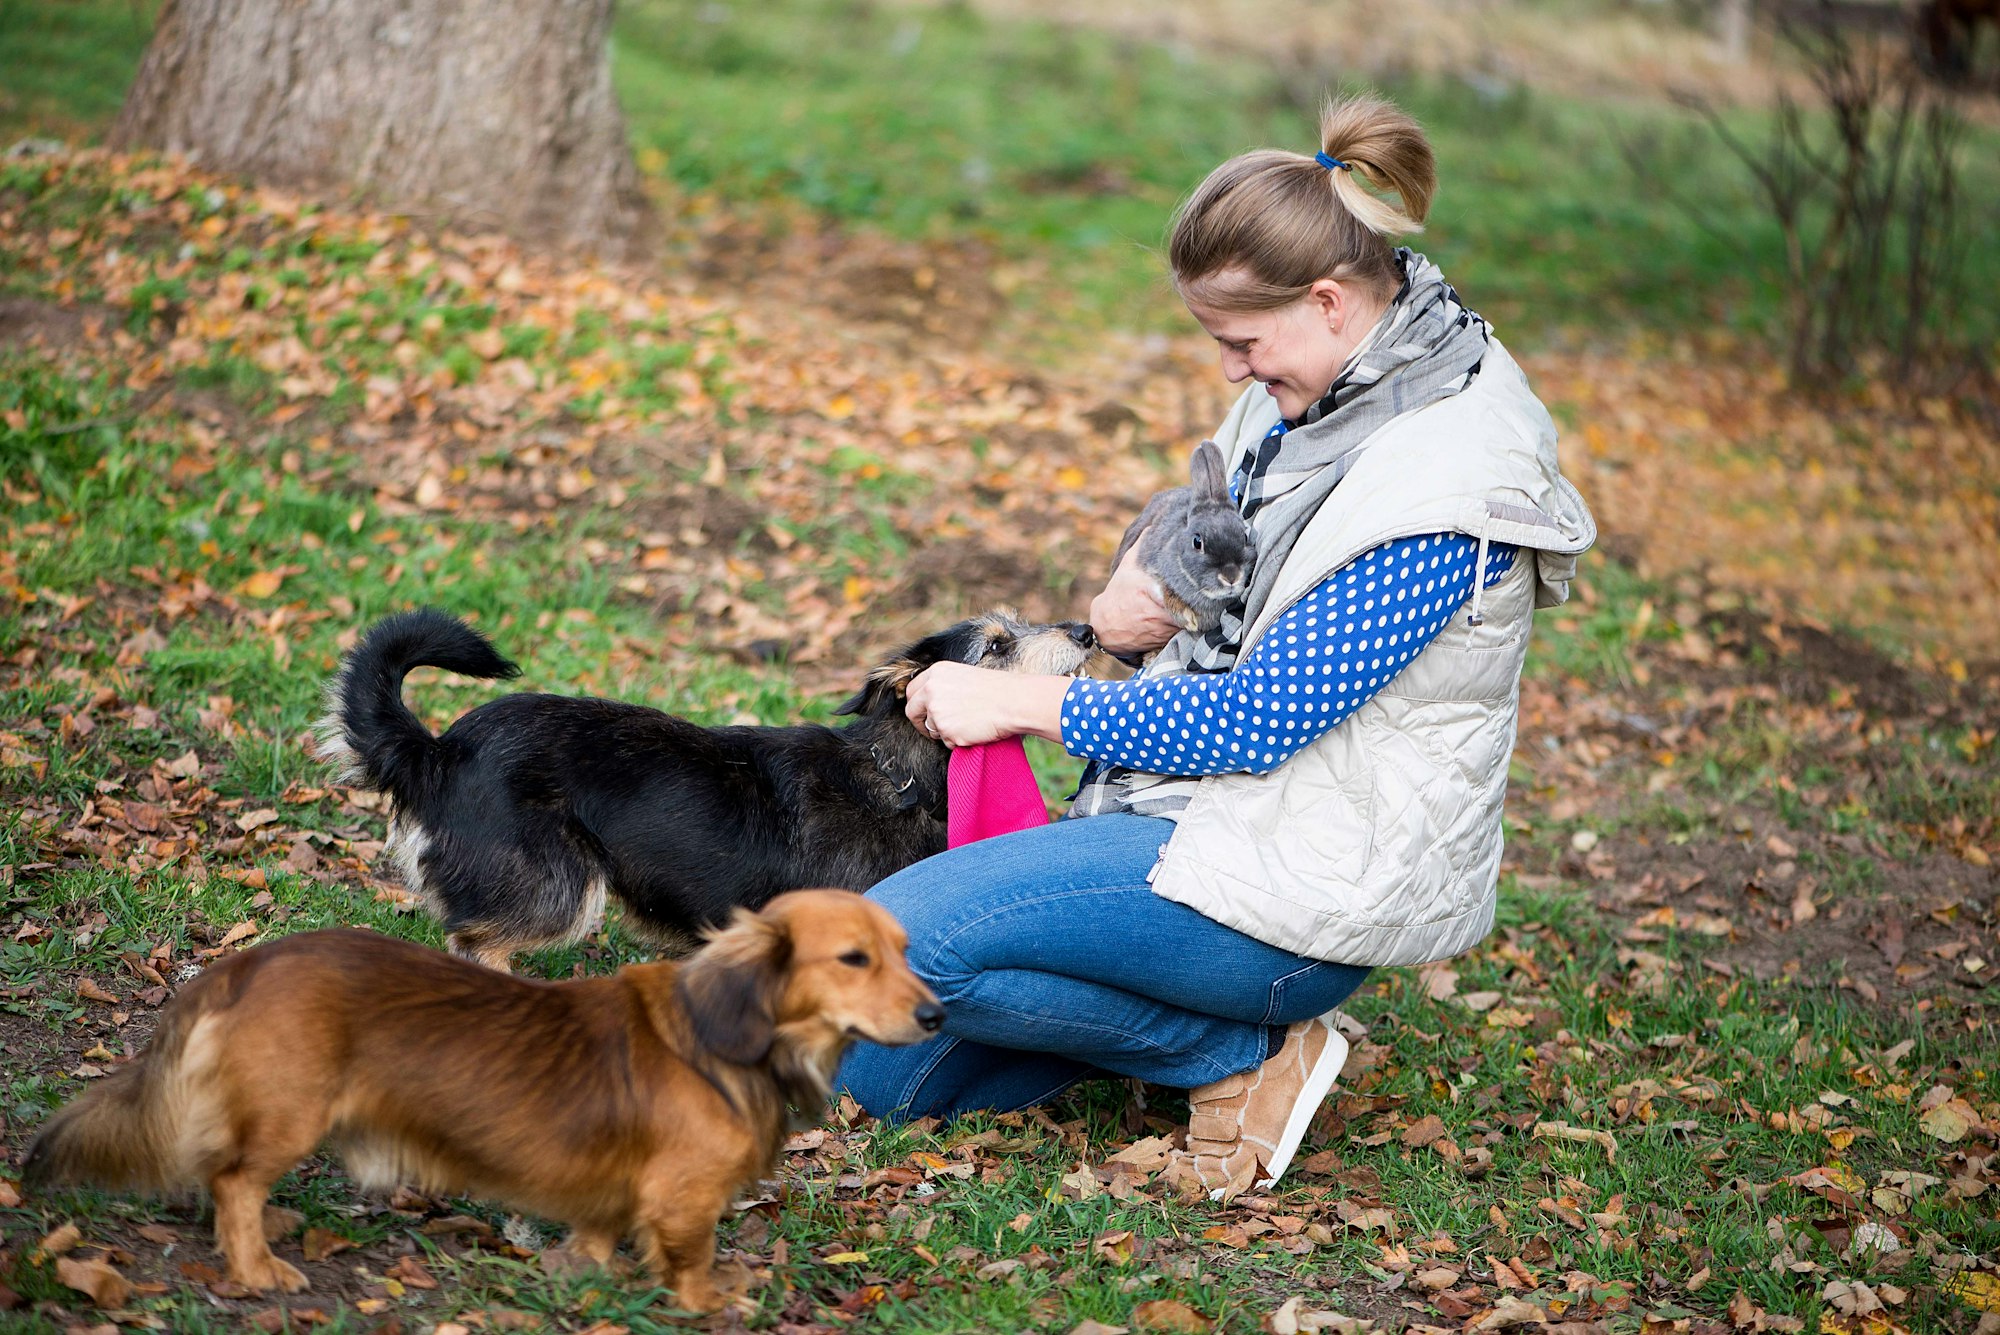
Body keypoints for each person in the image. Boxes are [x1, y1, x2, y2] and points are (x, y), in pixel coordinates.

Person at [836, 93, 1595, 1196]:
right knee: (885, 1076)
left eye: (1241, 343)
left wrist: (1021, 704)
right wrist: (1123, 599)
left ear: (1328, 301)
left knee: (895, 948)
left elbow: (1253, 720)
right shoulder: (1328, 383)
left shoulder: (1446, 482)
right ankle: (1139, 1021)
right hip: (1192, 818)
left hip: (1292, 880)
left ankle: (1237, 1049)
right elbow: (1211, 520)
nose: (1232, 372)